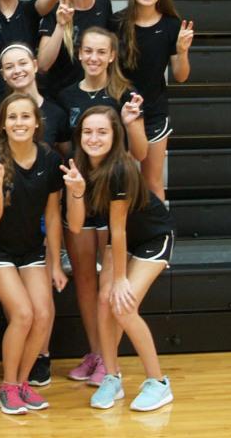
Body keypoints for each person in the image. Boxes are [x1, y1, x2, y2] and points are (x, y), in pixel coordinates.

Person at [54, 26, 149, 386]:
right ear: (79, 54)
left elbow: (139, 153)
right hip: (80, 198)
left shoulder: (127, 94)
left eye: (101, 52)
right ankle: (96, 354)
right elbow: (67, 150)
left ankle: (111, 361)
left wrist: (131, 123)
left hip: (115, 201)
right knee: (85, 282)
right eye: (88, 51)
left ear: (112, 56)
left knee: (110, 284)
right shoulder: (65, 96)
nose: (93, 57)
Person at [0, 94, 79, 415]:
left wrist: (55, 262)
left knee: (44, 315)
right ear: (3, 124)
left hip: (30, 248)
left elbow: (52, 215)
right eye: (13, 117)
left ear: (36, 122)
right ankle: (7, 386)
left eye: (25, 117)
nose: (19, 123)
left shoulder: (48, 159)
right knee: (23, 314)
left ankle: (21, 384)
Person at [70, 106, 176, 412]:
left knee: (123, 305)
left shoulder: (120, 169)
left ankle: (158, 382)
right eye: (88, 131)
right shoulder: (81, 167)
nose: (94, 138)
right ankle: (112, 377)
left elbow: (117, 229)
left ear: (115, 136)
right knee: (104, 301)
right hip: (123, 241)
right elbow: (76, 226)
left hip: (152, 238)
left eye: (102, 131)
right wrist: (76, 193)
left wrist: (119, 280)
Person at [116, 0, 193, 200]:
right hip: (122, 111)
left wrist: (182, 51)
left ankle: (159, 234)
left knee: (152, 182)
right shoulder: (117, 22)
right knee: (122, 182)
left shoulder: (171, 25)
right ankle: (124, 235)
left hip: (155, 112)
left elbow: (181, 76)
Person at [37, 0, 115, 97]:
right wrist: (61, 25)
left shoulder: (104, 5)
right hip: (60, 96)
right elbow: (42, 65)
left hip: (95, 94)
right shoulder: (57, 8)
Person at [0, 43, 70, 152]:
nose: (17, 71)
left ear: (35, 65)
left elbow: (66, 156)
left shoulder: (56, 113)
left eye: (23, 63)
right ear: (3, 74)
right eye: (9, 67)